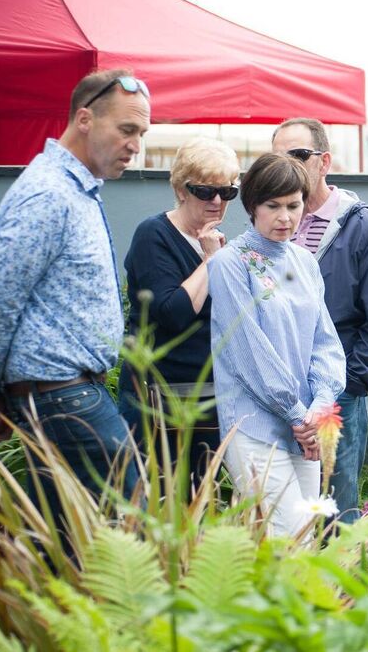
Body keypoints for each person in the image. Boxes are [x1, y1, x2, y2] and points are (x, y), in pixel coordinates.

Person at [0, 68, 150, 524]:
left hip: (66, 396)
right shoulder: (49, 193)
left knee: (64, 547)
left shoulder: (77, 189)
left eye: (142, 133)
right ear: (85, 119)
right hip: (62, 398)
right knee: (133, 532)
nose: (136, 146)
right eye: (126, 129)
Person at [207, 152, 346, 537]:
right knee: (285, 540)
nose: (286, 217)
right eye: (274, 206)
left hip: (304, 428)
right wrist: (296, 413)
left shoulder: (305, 262)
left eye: (294, 205)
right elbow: (249, 353)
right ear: (252, 206)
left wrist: (318, 409)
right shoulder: (229, 264)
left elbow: (326, 344)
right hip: (254, 427)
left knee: (304, 539)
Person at [271, 118, 368, 523]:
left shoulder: (362, 226)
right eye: (277, 158)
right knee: (282, 512)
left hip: (337, 395)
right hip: (280, 396)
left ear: (324, 162)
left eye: (298, 155)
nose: (287, 166)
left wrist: (350, 384)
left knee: (334, 513)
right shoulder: (273, 225)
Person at [119, 137, 241, 486]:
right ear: (181, 188)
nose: (217, 201)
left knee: (205, 505)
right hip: (156, 404)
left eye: (227, 192)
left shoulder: (215, 241)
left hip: (207, 403)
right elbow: (172, 314)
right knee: (155, 504)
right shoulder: (154, 235)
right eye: (205, 191)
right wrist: (211, 261)